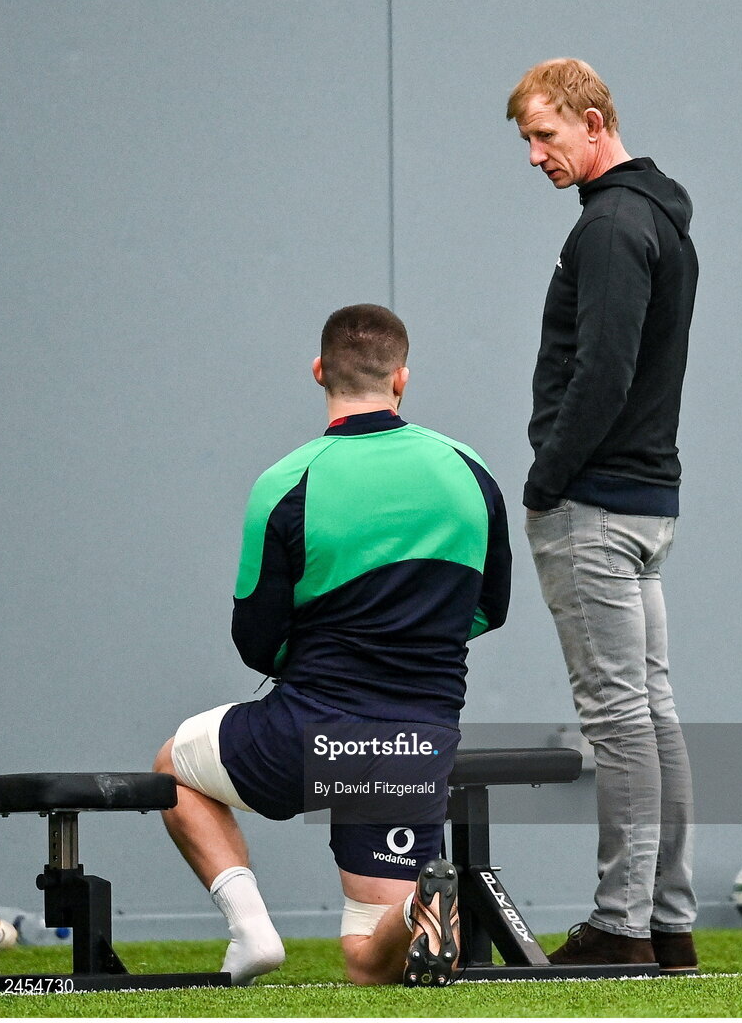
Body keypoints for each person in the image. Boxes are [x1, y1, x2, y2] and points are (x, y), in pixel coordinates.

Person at [154, 303, 511, 985]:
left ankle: (251, 933)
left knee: (173, 766)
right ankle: (413, 913)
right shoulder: (469, 471)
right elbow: (489, 608)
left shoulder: (286, 482)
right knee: (367, 959)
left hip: (309, 730)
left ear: (319, 371)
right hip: (413, 742)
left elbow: (255, 641)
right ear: (401, 378)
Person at [506, 59, 698, 972]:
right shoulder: (649, 213)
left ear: (592, 122)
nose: (536, 155)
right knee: (650, 714)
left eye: (546, 135)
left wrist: (545, 481)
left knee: (618, 718)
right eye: (526, 141)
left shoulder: (614, 225)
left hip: (598, 503)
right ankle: (663, 922)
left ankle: (621, 926)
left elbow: (604, 372)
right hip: (643, 501)